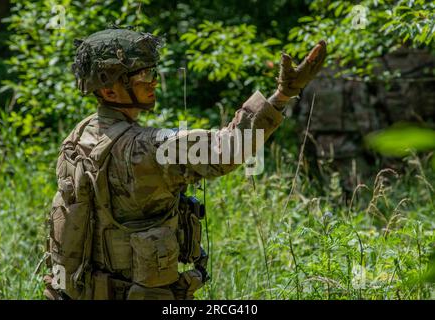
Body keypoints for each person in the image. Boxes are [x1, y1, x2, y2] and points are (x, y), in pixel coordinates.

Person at [43, 26, 326, 300]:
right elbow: (228, 148)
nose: (153, 80)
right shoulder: (146, 149)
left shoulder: (77, 136)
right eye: (141, 75)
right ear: (110, 91)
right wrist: (282, 95)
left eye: (152, 72)